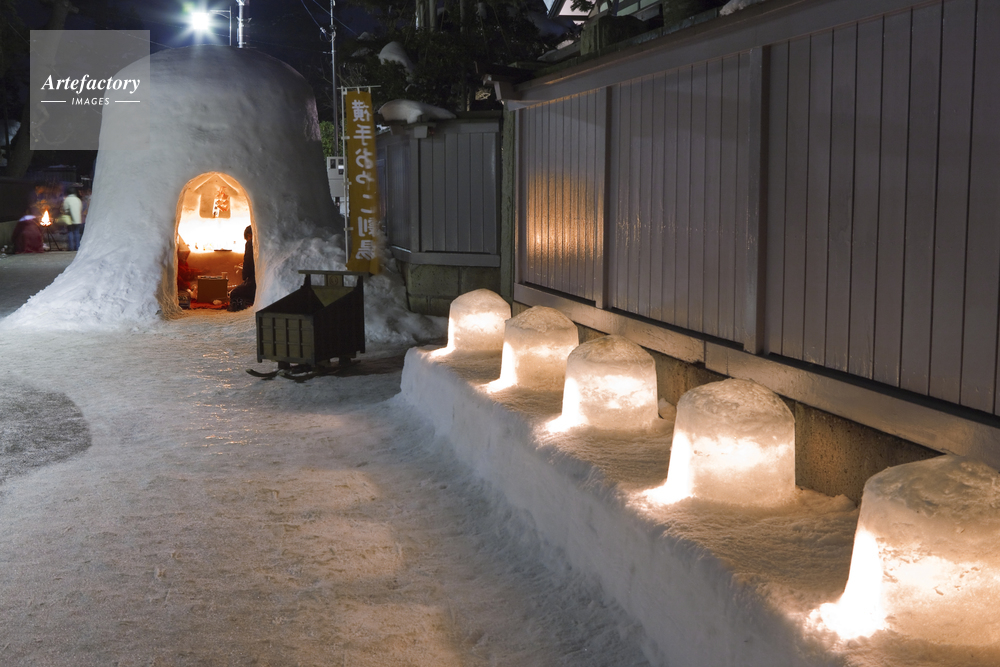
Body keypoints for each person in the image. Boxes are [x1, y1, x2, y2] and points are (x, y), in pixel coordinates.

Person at [228, 225, 256, 311]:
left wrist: (244, 275)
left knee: (234, 294)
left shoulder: (251, 243)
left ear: (249, 235)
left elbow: (248, 262)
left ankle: (243, 308)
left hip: (255, 282)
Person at [61, 185, 83, 251]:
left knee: (70, 232)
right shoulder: (78, 199)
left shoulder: (67, 200)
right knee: (77, 233)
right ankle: (77, 247)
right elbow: (81, 208)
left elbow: (65, 209)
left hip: (70, 219)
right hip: (78, 219)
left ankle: (71, 247)